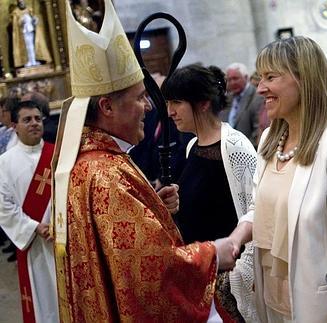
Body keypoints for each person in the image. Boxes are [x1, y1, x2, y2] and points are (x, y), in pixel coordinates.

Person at [53, 0, 237, 321]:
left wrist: (155, 209)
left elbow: (113, 252)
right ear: (107, 107)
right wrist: (212, 255)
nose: (150, 107)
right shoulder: (107, 174)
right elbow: (151, 273)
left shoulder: (87, 163)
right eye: (140, 97)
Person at [244, 36, 327, 322]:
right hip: (271, 299)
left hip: (315, 306)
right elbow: (258, 209)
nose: (260, 88)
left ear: (303, 79)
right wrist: (233, 241)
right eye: (260, 77)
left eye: (271, 77)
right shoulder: (270, 137)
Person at [162, 64, 259, 321]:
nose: (170, 112)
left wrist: (234, 278)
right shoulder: (193, 144)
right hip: (202, 274)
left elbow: (254, 210)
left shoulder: (235, 146)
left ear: (203, 104)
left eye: (177, 102)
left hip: (227, 280)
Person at [0, 100, 58, 322]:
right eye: (27, 120)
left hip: (64, 240)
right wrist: (34, 227)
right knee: (43, 301)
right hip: (34, 244)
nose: (34, 123)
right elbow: (3, 207)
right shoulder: (4, 163)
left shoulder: (58, 155)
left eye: (37, 118)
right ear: (14, 126)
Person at [219, 62, 264, 147]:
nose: (232, 82)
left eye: (235, 78)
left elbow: (257, 132)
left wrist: (242, 149)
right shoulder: (228, 98)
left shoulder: (257, 97)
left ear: (246, 78)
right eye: (229, 80)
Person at [10, 0, 52, 68]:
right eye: (20, 2)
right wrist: (22, 20)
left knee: (32, 46)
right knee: (28, 47)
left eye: (22, 2)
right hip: (24, 34)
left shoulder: (29, 10)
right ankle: (29, 61)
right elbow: (16, 26)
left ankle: (34, 60)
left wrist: (34, 20)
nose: (22, 3)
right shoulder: (16, 13)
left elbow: (34, 19)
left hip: (31, 31)